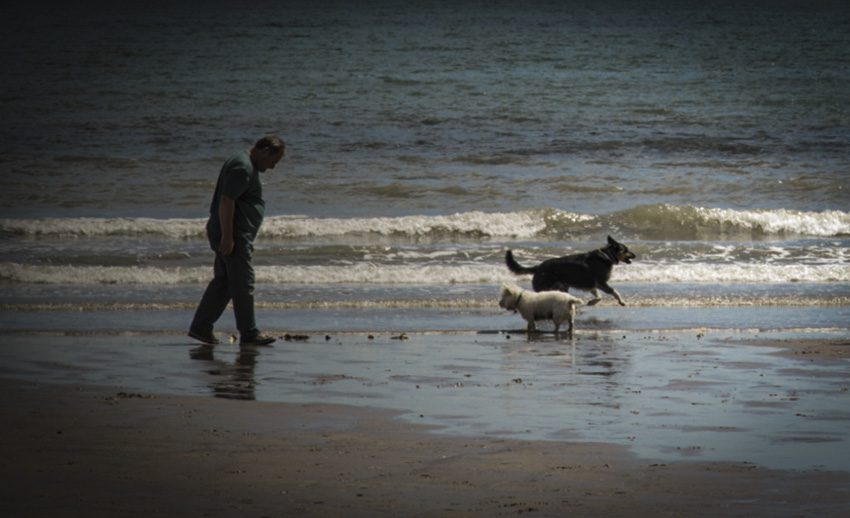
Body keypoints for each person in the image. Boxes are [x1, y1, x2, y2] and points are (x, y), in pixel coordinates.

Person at [188, 135, 285, 346]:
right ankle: (249, 333)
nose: (273, 167)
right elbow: (226, 201)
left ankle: (201, 327)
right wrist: (228, 237)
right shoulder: (243, 167)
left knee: (224, 283)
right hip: (234, 236)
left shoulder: (245, 163)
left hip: (232, 233)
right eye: (273, 161)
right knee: (243, 283)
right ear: (265, 151)